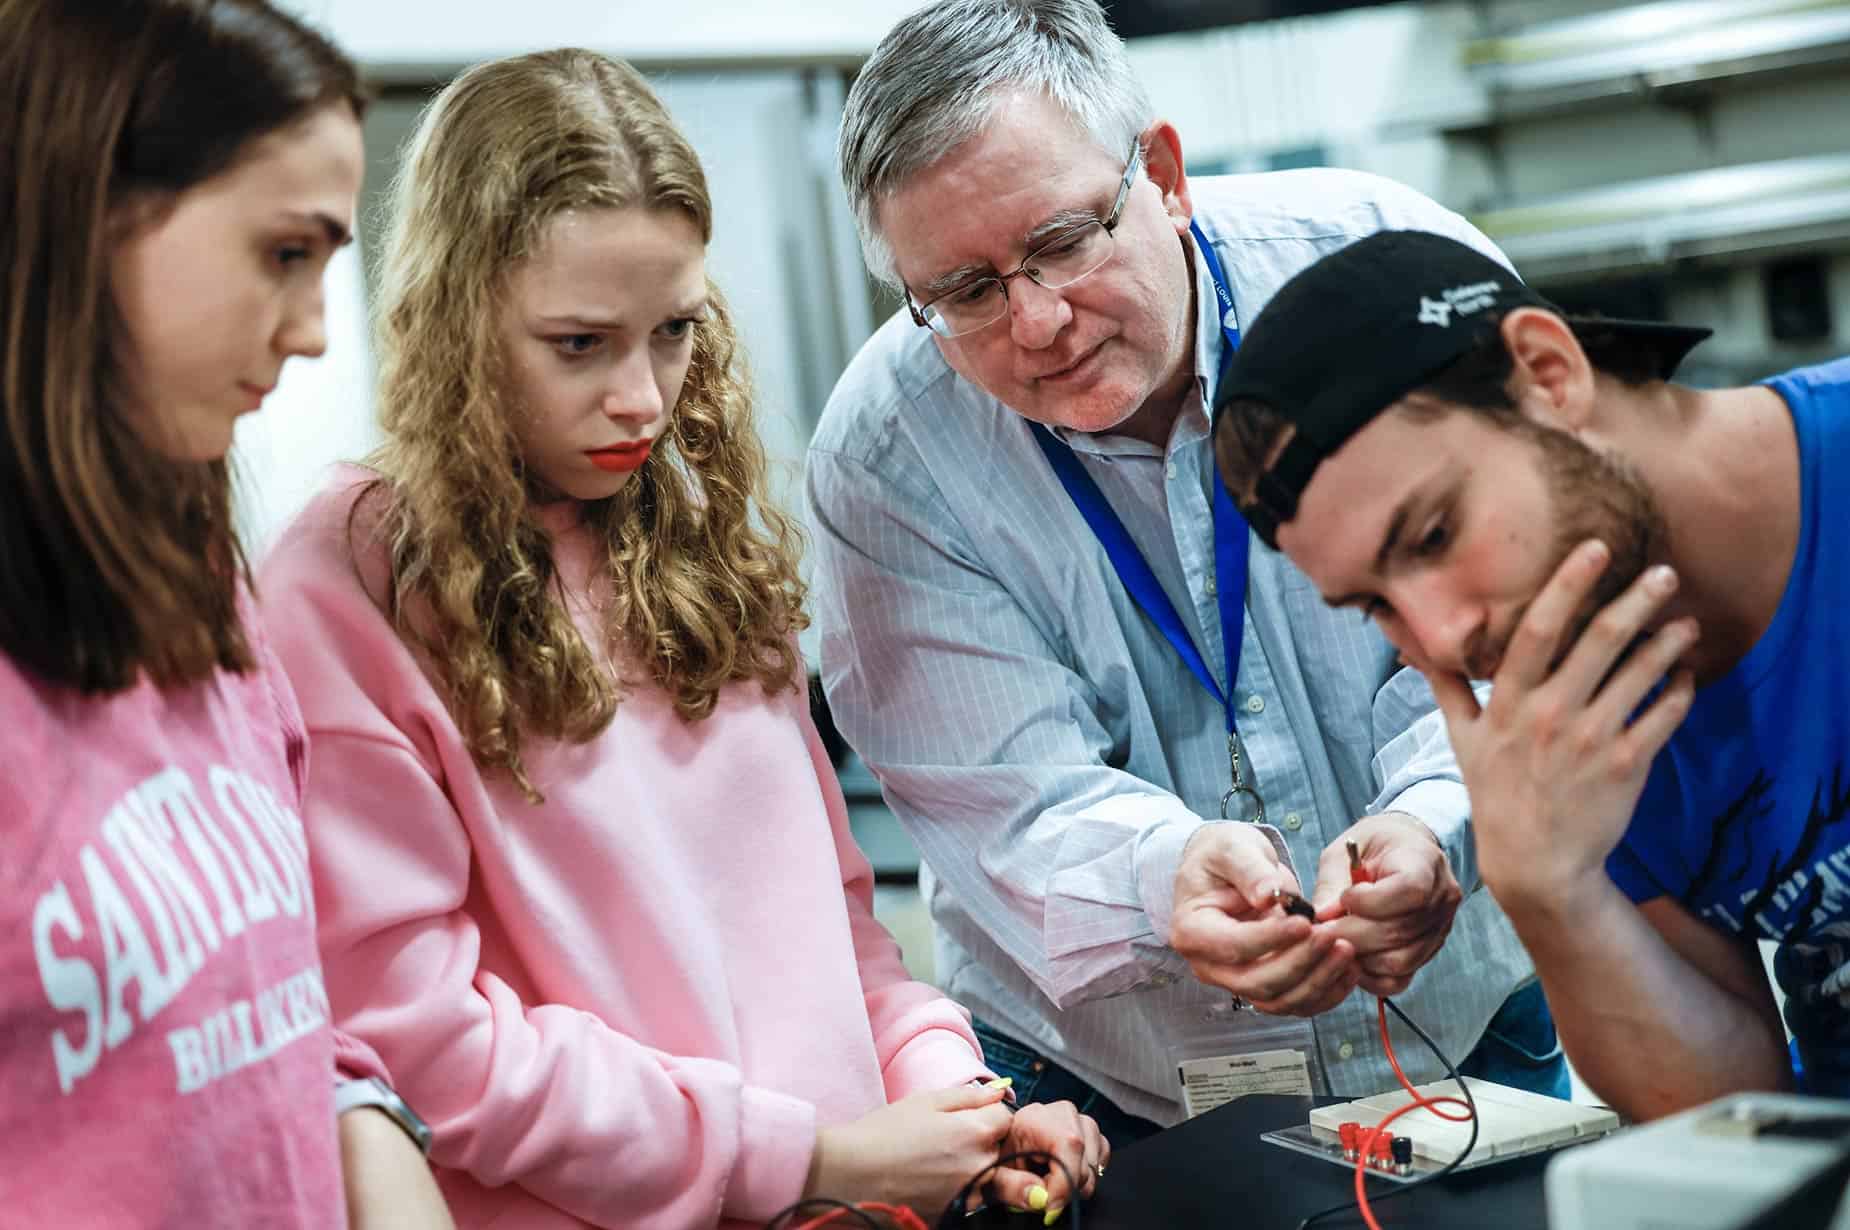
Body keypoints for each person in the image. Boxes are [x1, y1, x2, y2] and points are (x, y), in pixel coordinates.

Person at [257, 47, 1106, 1229]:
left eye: (672, 331)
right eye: (577, 344)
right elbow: (417, 1038)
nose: (643, 400)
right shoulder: (344, 579)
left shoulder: (695, 535)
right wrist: (807, 1155)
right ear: (456, 322)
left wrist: (953, 1103)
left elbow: (841, 934)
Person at [808, 0, 1562, 1144]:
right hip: (1106, 1077)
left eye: (1062, 240)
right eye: (962, 293)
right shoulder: (885, 457)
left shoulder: (1389, 277)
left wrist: (1429, 823)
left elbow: (1517, 628)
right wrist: (1165, 877)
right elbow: (999, 797)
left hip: (1457, 1012)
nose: (1037, 321)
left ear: (1159, 173)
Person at [1211, 227, 1843, 1121]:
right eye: (1377, 606)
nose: (1442, 636)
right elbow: (1737, 1118)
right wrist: (1549, 890)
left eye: (1433, 535)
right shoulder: (1591, 725)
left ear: (1549, 375)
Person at [0, 1, 450, 1226]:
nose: (310, 333)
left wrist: (363, 1115)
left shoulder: (202, 593)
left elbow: (264, 1000)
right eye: (283, 253)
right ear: (84, 210)